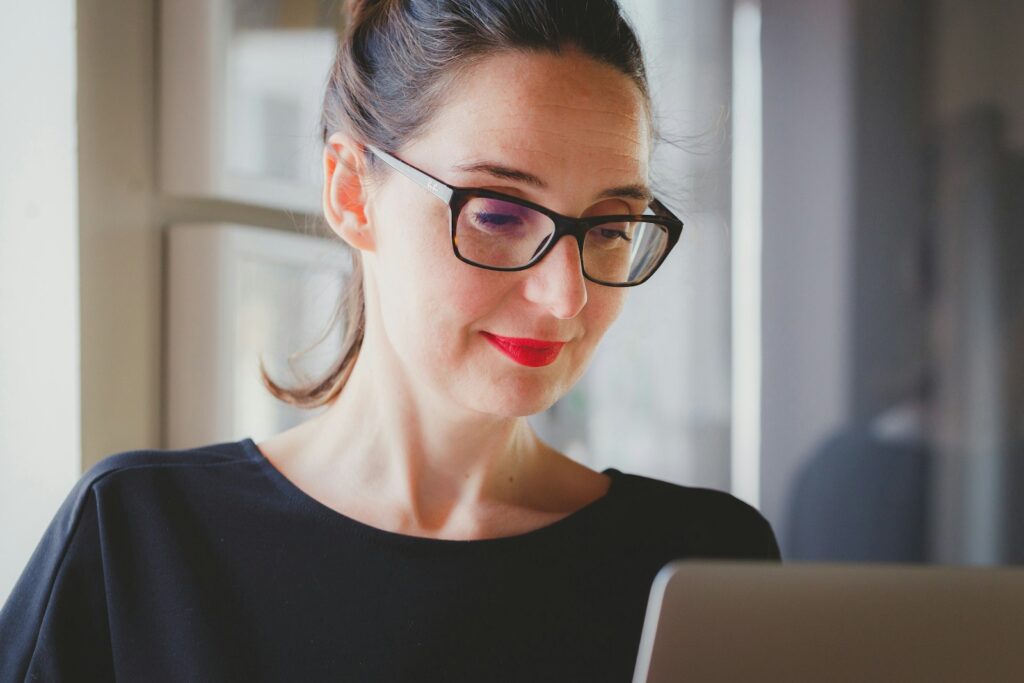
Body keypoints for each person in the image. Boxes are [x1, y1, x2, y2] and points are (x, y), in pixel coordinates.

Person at [0, 0, 781, 680]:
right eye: (500, 213)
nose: (566, 295)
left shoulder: (699, 564)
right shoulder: (138, 542)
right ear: (351, 190)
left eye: (609, 228)